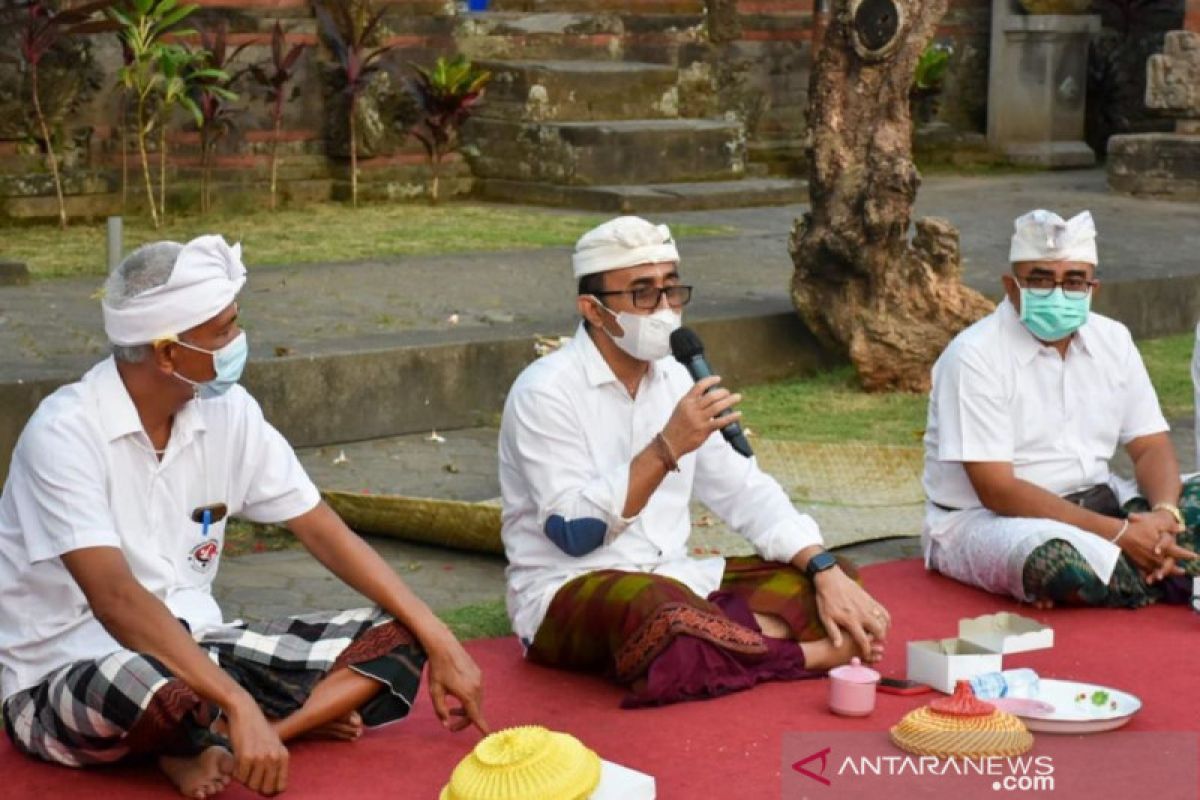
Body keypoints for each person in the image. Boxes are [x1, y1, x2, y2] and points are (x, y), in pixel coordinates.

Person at [0, 236, 486, 799]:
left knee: (394, 633)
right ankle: (219, 726)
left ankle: (246, 739)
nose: (238, 342)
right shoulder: (64, 431)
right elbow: (116, 601)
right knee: (146, 685)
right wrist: (237, 697)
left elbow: (323, 530)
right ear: (165, 353)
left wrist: (440, 637)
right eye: (222, 331)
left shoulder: (228, 412)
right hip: (69, 670)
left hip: (201, 647)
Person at [499, 216, 890, 708]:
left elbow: (744, 491)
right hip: (569, 590)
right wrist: (667, 447)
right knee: (661, 618)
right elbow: (574, 535)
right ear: (593, 310)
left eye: (670, 290)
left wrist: (824, 567)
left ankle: (720, 645)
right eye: (642, 293)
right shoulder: (546, 392)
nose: (663, 308)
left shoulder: (676, 380)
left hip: (677, 581)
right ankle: (805, 655)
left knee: (826, 586)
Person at [923, 209, 1200, 609]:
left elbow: (1150, 445)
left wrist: (1164, 514)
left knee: (1184, 503)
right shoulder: (973, 356)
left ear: (1093, 288)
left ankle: (1145, 564)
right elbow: (998, 490)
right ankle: (1167, 572)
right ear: (1011, 287)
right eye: (1039, 279)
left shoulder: (1113, 340)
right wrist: (1121, 535)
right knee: (1057, 564)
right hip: (998, 522)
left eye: (1073, 281)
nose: (1057, 292)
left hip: (1105, 504)